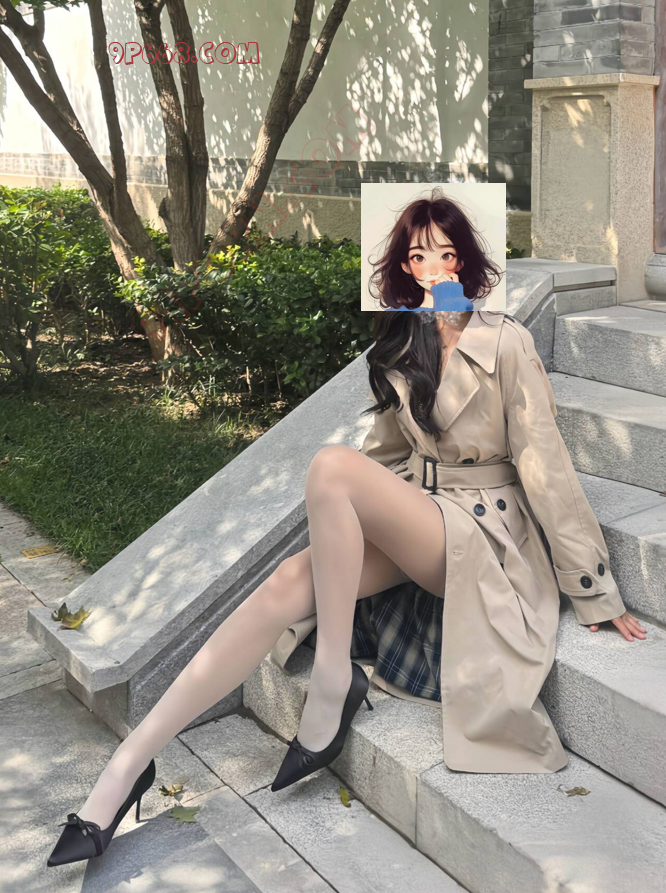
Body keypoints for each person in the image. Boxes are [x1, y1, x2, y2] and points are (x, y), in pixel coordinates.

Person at [47, 229, 648, 873]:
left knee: (331, 466)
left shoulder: (506, 340)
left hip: (486, 530)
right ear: (404, 268)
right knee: (288, 579)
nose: (433, 267)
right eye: (417, 256)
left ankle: (332, 680)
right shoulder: (402, 343)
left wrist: (592, 586)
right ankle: (128, 765)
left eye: (447, 254)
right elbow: (384, 457)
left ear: (468, 263)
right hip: (424, 512)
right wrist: (354, 527)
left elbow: (545, 463)